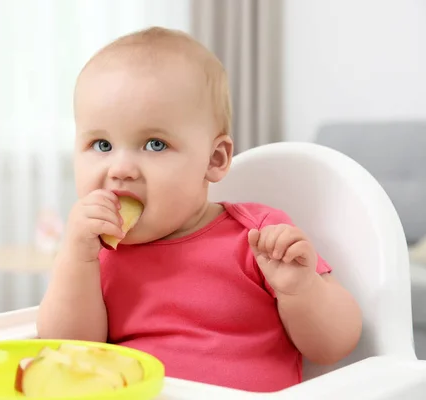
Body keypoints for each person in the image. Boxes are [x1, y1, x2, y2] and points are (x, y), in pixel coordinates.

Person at [36, 26, 362, 392]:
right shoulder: (97, 254)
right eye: (101, 144)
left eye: (155, 144)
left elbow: (335, 346)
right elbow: (69, 352)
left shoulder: (258, 236)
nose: (120, 168)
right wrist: (76, 260)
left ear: (215, 159)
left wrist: (300, 290)